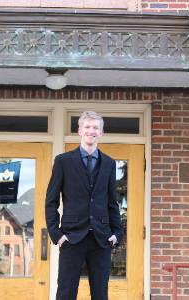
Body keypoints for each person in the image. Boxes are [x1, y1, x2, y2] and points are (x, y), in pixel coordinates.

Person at [45, 111, 123, 300]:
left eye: (96, 127)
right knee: (65, 292)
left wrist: (116, 233)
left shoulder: (109, 164)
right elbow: (51, 201)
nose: (91, 131)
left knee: (100, 294)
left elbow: (112, 202)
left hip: (101, 239)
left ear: (101, 132)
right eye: (87, 127)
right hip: (72, 238)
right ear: (79, 131)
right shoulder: (63, 161)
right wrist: (57, 234)